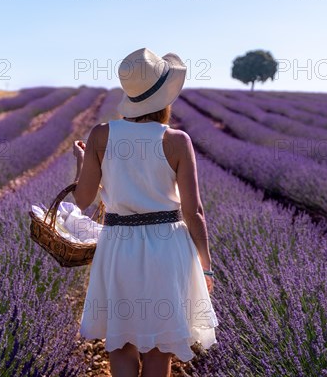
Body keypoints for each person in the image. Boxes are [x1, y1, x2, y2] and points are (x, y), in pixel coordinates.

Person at [71, 48, 218, 377]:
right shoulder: (177, 140)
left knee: (120, 342)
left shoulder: (101, 134)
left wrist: (83, 163)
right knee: (159, 347)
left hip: (119, 245)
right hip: (167, 247)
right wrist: (205, 266)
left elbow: (82, 200)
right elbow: (194, 210)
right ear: (166, 97)